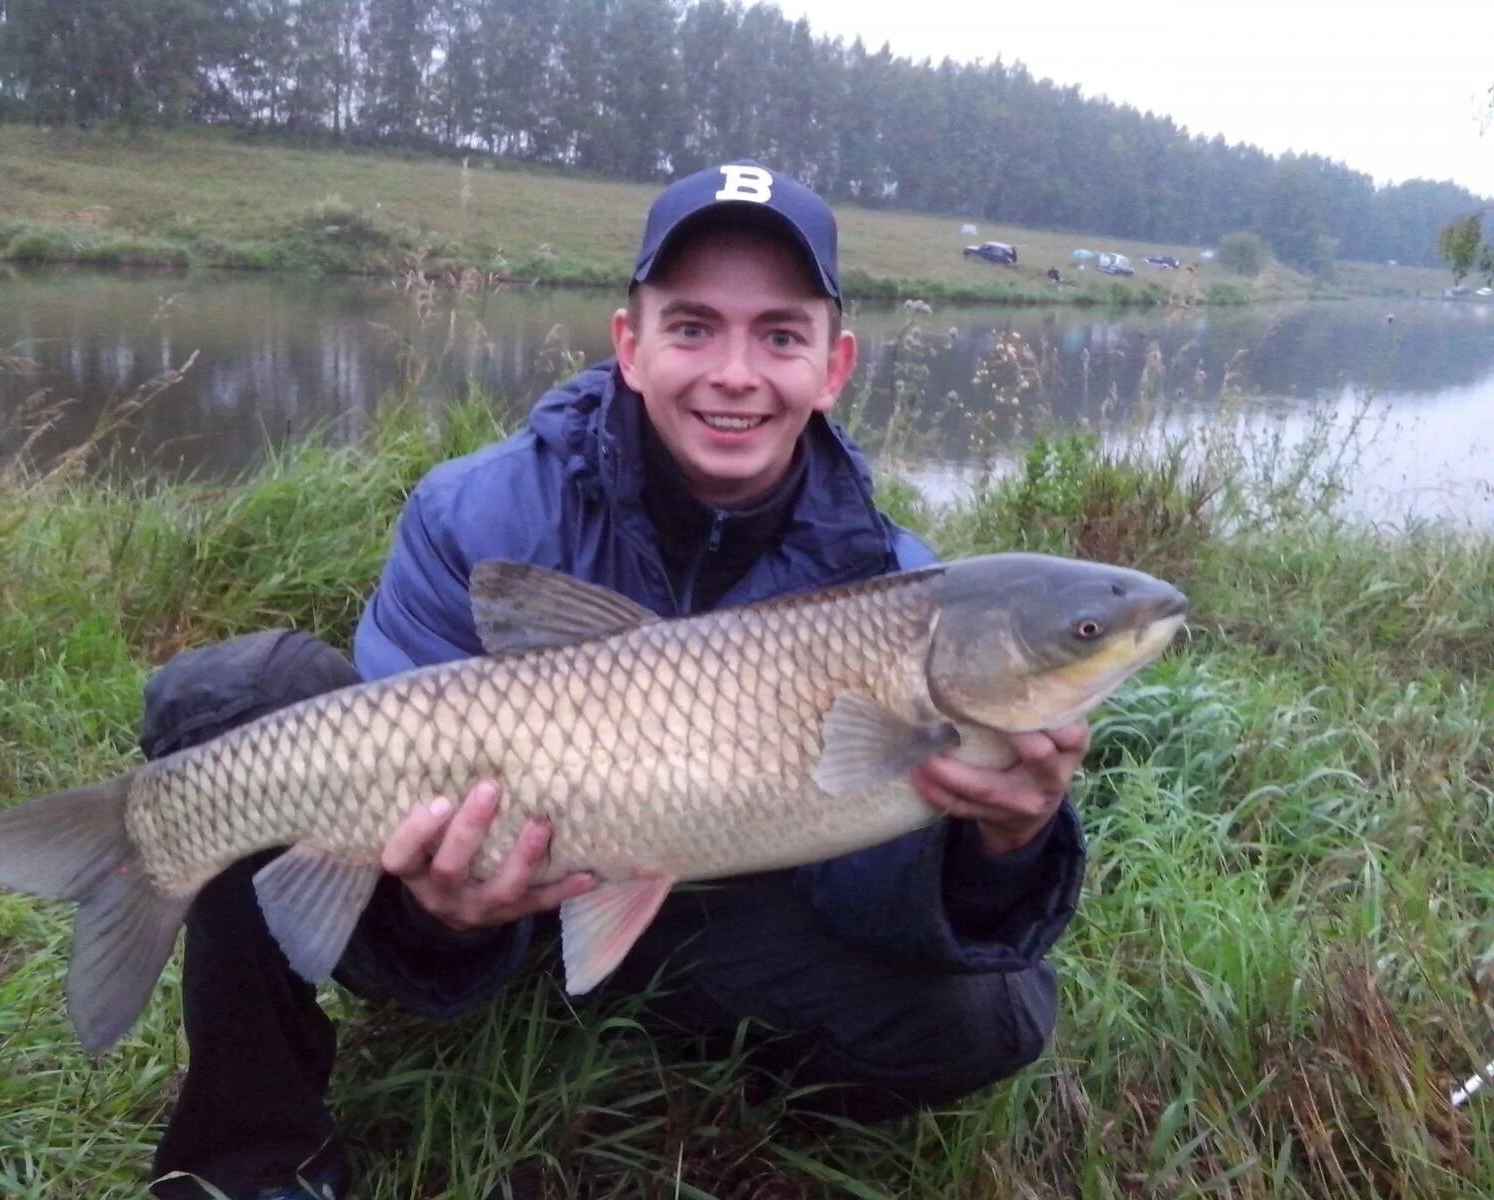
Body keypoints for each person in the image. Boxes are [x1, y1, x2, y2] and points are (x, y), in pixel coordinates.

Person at [141, 161, 1092, 1200]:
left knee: (994, 1013)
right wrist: (445, 914)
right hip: (466, 883)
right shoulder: (475, 510)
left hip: (700, 903)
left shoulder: (894, 589)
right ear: (630, 346)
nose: (734, 372)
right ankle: (253, 1161)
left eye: (780, 335)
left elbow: (860, 884)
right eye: (692, 328)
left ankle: (676, 1050)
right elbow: (393, 768)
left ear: (833, 367)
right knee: (230, 703)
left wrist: (1002, 846)